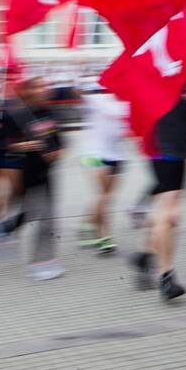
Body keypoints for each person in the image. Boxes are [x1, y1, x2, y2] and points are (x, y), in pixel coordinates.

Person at [131, 66, 186, 301]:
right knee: (170, 215)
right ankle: (166, 276)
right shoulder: (159, 63)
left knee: (168, 214)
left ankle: (143, 254)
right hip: (161, 147)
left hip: (180, 150)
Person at [0, 76, 67, 280]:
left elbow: (59, 140)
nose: (44, 89)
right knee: (42, 214)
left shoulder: (49, 112)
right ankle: (42, 264)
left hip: (47, 170)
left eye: (45, 85)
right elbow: (3, 144)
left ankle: (5, 229)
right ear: (28, 91)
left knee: (36, 213)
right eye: (39, 86)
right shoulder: (17, 114)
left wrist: (58, 152)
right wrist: (26, 146)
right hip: (23, 170)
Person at [77, 89, 131, 255]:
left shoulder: (131, 103)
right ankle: (104, 236)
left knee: (106, 197)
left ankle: (87, 224)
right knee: (103, 197)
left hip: (117, 155)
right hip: (93, 154)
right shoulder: (97, 98)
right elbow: (77, 94)